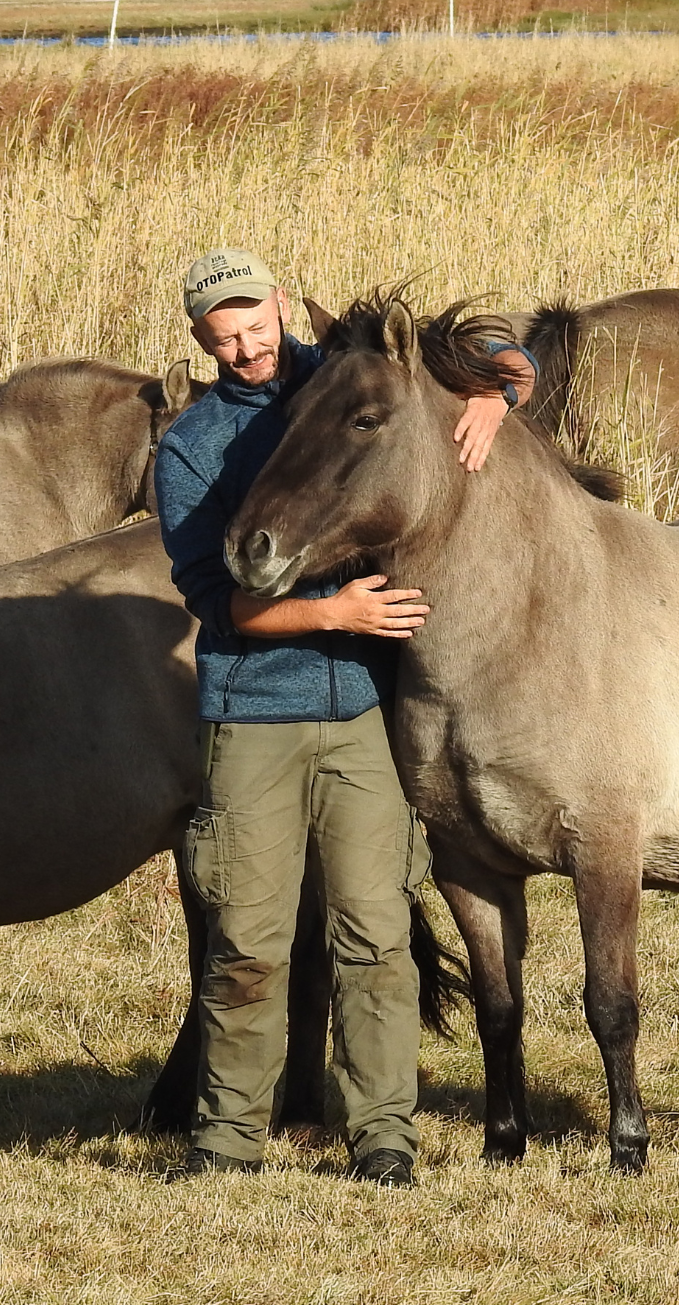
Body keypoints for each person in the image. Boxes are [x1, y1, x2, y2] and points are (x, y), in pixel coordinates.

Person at [154, 249, 535, 1185]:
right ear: (201, 342)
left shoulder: (345, 381)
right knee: (248, 940)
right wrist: (340, 613)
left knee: (375, 935)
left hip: (366, 709)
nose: (246, 347)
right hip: (255, 711)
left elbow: (506, 351)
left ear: (281, 306)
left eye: (254, 323)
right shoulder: (192, 448)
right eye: (223, 336)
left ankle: (385, 1140)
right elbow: (224, 600)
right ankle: (227, 1141)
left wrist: (492, 396)